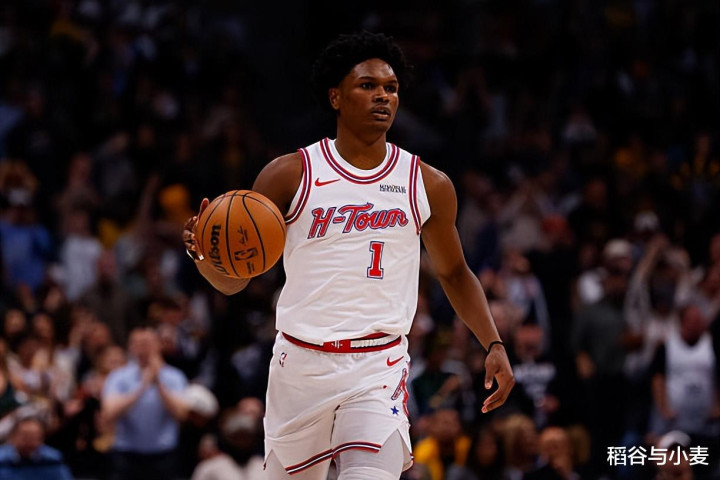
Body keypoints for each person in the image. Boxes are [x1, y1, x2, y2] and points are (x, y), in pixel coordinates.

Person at [183, 31, 514, 480]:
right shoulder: (289, 174)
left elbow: (455, 272)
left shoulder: (427, 184)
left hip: (378, 365)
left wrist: (493, 342)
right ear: (335, 96)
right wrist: (206, 256)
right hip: (300, 366)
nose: (383, 96)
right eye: (368, 85)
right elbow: (236, 281)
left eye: (391, 88)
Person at [101, 326, 189, 480]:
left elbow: (182, 414)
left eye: (147, 343)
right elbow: (109, 413)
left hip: (164, 456)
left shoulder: (175, 376)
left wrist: (158, 383)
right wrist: (141, 387)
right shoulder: (118, 377)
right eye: (137, 344)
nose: (142, 349)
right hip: (126, 455)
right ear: (130, 347)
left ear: (158, 345)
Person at [0, 415, 74, 480]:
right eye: (25, 436)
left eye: (35, 437)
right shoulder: (2, 460)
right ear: (12, 437)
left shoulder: (53, 460)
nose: (29, 441)